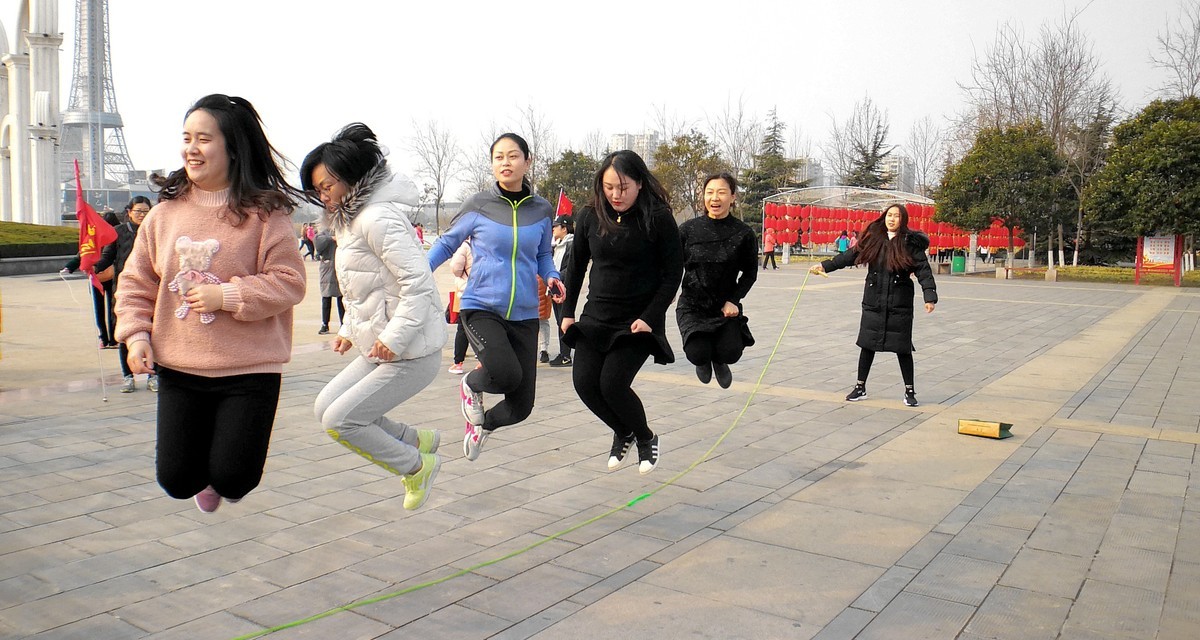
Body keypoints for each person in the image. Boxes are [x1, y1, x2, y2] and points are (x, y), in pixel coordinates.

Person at [114, 94, 307, 513]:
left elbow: (291, 282)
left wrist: (229, 295)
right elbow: (135, 281)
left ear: (233, 147)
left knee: (235, 475)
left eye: (204, 138)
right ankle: (207, 480)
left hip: (250, 369)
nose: (191, 148)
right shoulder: (163, 215)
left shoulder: (266, 214)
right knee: (177, 480)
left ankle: (227, 480)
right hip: (180, 366)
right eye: (187, 138)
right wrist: (135, 336)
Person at [304, 123, 445, 510]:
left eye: (328, 185)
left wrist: (394, 338)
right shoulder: (351, 222)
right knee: (324, 407)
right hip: (381, 346)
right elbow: (363, 288)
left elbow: (417, 285)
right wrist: (349, 329)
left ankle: (416, 466)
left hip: (410, 350)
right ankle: (417, 440)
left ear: (352, 178)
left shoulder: (377, 218)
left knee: (340, 421)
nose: (324, 195)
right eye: (318, 189)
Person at [427, 133, 564, 461]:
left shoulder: (542, 210)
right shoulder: (478, 205)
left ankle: (483, 426)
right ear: (492, 164)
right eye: (499, 157)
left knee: (521, 407)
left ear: (527, 162)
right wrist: (417, 274)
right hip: (482, 306)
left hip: (526, 312)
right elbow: (447, 243)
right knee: (505, 374)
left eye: (513, 156)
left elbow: (543, 255)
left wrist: (553, 276)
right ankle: (472, 385)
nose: (506, 162)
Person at [561, 150, 683, 474]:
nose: (616, 195)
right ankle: (624, 431)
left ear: (640, 184)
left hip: (637, 320)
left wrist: (652, 316)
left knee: (612, 384)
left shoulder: (658, 217)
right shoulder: (590, 215)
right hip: (596, 316)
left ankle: (645, 437)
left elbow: (673, 272)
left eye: (623, 187)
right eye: (609, 187)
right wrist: (567, 313)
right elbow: (575, 268)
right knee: (585, 383)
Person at [809, 203, 937, 407]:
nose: (892, 219)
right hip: (874, 301)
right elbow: (848, 257)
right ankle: (860, 387)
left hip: (899, 303)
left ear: (903, 220)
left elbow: (923, 270)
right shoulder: (873, 239)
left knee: (902, 348)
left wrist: (929, 296)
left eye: (896, 216)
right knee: (867, 345)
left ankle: (909, 391)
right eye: (889, 215)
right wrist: (824, 265)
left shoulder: (910, 243)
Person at [676, 173, 758, 390]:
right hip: (693, 305)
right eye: (710, 192)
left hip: (724, 306)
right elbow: (671, 265)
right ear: (703, 197)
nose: (715, 198)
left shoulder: (743, 233)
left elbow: (750, 273)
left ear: (732, 197)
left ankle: (719, 360)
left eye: (721, 192)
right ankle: (703, 360)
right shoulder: (687, 230)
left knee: (730, 352)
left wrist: (734, 299)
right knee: (697, 352)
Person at [95, 197, 157, 392]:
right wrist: (93, 267)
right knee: (125, 332)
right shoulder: (118, 232)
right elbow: (107, 257)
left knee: (153, 333)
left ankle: (152, 376)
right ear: (129, 211)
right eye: (138, 211)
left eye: (146, 211)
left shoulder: (155, 230)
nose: (142, 215)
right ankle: (127, 377)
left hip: (154, 289)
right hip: (125, 290)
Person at [548, 214, 574, 367]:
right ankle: (563, 352)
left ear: (564, 228)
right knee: (559, 321)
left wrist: (556, 278)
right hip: (555, 288)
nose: (553, 229)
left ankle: (566, 355)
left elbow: (569, 269)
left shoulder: (571, 245)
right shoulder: (557, 245)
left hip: (564, 288)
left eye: (556, 226)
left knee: (564, 321)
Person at [447, 239, 473, 375]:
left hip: (467, 293)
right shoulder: (487, 241)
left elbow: (456, 269)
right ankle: (483, 361)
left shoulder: (465, 246)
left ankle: (458, 363)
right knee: (483, 327)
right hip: (487, 291)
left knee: (462, 328)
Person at [313, 229, 344, 335]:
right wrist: (331, 238)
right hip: (327, 269)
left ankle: (343, 324)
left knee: (342, 298)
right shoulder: (324, 231)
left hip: (341, 267)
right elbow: (318, 242)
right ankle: (325, 324)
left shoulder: (343, 229)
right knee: (326, 298)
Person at [536, 275, 552, 363]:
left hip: (539, 282)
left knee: (541, 321)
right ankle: (544, 349)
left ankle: (543, 349)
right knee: (543, 321)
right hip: (542, 281)